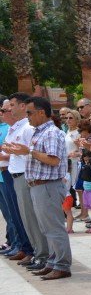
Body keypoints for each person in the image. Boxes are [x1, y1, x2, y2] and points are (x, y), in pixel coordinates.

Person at [21, 97, 72, 279]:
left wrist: (29, 151)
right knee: (46, 228)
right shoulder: (39, 132)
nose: (27, 116)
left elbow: (54, 160)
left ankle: (62, 265)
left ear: (41, 112)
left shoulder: (51, 132)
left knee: (54, 228)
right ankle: (53, 262)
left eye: (29, 112)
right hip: (39, 186)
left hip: (48, 186)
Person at [2, 93, 49, 270]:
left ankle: (42, 254)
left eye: (12, 105)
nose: (9, 109)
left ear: (22, 106)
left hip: (25, 175)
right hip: (15, 175)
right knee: (25, 218)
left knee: (33, 219)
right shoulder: (17, 128)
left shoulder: (27, 128)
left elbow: (33, 153)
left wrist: (15, 151)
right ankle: (37, 252)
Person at [0, 97, 34, 262]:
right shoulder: (14, 129)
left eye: (7, 109)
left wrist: (8, 152)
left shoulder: (26, 128)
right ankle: (24, 247)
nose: (6, 112)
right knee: (15, 214)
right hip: (10, 172)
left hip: (21, 174)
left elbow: (29, 152)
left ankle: (30, 249)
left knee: (24, 216)